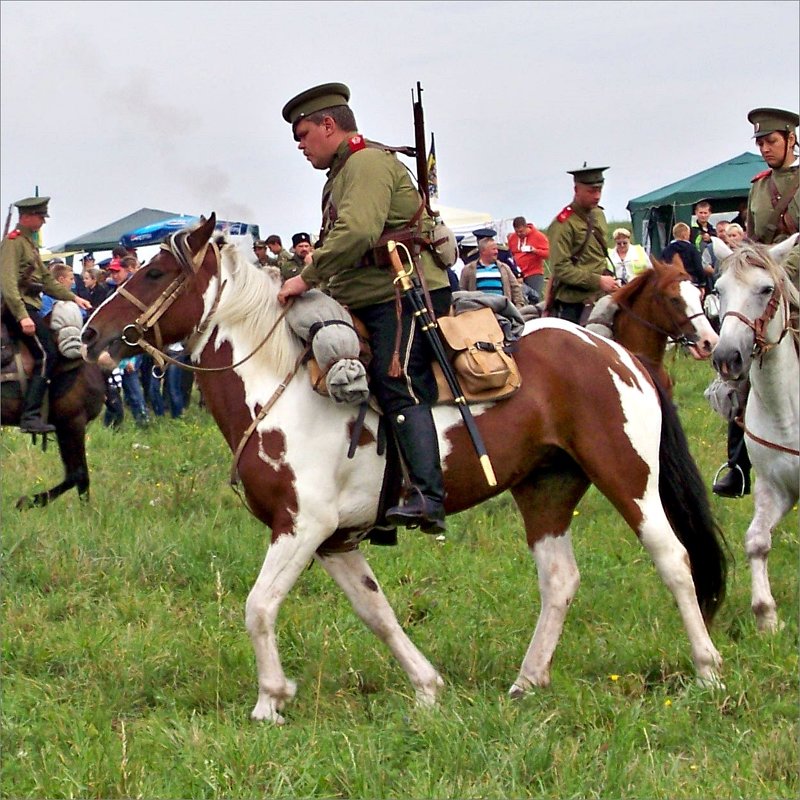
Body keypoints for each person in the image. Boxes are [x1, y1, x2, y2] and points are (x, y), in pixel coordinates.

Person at [278, 81, 451, 534]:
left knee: (398, 382)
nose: (300, 145)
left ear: (328, 125)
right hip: (366, 296)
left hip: (403, 292)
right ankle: (379, 500)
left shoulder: (367, 163)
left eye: (303, 134)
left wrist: (305, 279)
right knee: (351, 388)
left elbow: (356, 232)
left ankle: (428, 498)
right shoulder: (340, 174)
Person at [713, 106, 799, 499]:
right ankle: (738, 466)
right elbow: (751, 238)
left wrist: (779, 272)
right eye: (761, 143)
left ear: (791, 140)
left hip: (791, 276)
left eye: (772, 141)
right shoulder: (759, 186)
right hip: (767, 286)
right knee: (742, 365)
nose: (765, 148)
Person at [0, 196, 91, 433]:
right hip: (18, 307)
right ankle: (30, 416)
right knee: (47, 354)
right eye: (40, 217)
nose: (42, 222)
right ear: (27, 216)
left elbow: (48, 281)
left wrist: (73, 298)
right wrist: (22, 316)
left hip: (30, 306)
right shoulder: (13, 243)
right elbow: (8, 284)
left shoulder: (29, 244)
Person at [546, 165, 619, 324]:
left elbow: (597, 256)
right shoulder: (563, 224)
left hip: (603, 296)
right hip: (575, 303)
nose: (597, 196)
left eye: (599, 190)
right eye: (591, 191)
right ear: (577, 189)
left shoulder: (599, 215)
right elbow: (560, 268)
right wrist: (597, 280)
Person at [458, 237, 525, 307]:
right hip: (478, 310)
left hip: (502, 309)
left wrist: (519, 305)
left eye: (496, 249)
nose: (497, 252)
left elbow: (515, 287)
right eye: (493, 249)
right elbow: (462, 290)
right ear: (483, 251)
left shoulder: (504, 268)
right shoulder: (468, 269)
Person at [507, 216, 549, 302]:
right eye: (517, 232)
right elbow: (510, 254)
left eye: (521, 231)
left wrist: (534, 250)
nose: (519, 234)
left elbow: (548, 254)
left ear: (526, 227)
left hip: (533, 273)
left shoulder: (538, 236)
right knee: (518, 298)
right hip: (518, 274)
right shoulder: (513, 238)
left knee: (534, 298)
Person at [660, 222, 712, 291]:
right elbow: (699, 267)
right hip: (692, 284)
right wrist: (702, 284)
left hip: (673, 285)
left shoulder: (666, 250)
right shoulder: (692, 249)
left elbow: (662, 267)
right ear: (685, 235)